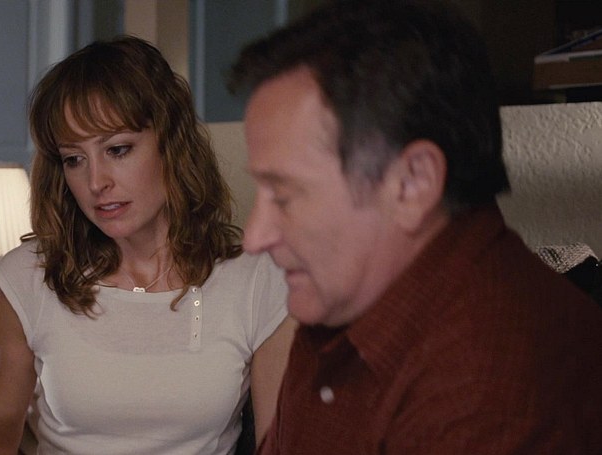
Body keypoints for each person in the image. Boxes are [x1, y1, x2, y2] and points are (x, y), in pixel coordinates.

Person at [228, 0, 602, 453]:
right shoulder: (340, 296)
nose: (254, 236)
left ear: (412, 184)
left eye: (285, 195)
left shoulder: (496, 384)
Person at [0, 36, 295, 455]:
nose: (96, 182)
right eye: (74, 159)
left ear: (171, 145)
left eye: (117, 149)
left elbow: (279, 444)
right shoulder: (24, 279)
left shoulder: (257, 279)